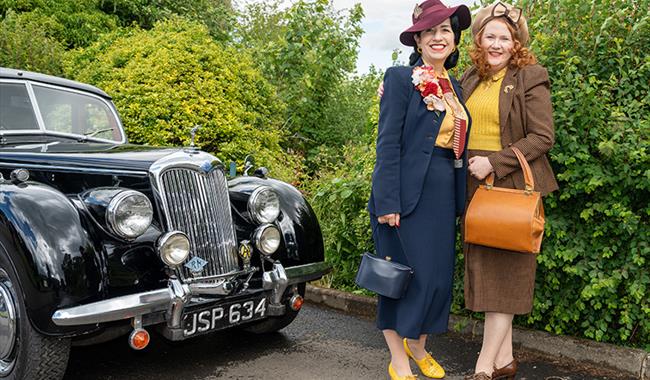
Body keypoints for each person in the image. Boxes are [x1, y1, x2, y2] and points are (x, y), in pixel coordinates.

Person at [367, 1, 471, 379]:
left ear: (455, 39)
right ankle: (398, 359)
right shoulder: (398, 79)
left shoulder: (457, 87)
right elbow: (388, 144)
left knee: (436, 280)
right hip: (405, 196)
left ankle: (418, 346)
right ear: (418, 40)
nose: (439, 37)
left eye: (445, 30)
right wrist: (387, 201)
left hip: (443, 196)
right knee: (401, 280)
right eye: (431, 31)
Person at [459, 2, 559, 380]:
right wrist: (396, 88)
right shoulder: (470, 77)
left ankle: (484, 367)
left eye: (506, 37)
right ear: (479, 39)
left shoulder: (530, 75)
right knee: (486, 273)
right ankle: (504, 361)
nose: (498, 44)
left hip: (511, 183)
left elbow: (543, 136)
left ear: (516, 43)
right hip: (474, 185)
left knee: (506, 276)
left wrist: (495, 163)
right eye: (491, 36)